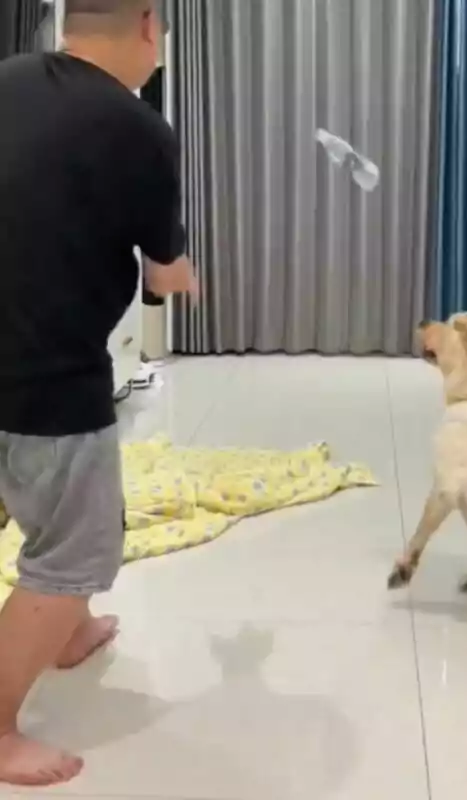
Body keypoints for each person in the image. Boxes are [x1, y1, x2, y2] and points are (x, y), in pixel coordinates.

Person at [0, 0, 197, 787]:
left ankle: (71, 633)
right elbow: (165, 270)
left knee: (35, 506)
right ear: (149, 26)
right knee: (73, 549)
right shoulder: (137, 127)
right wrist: (180, 271)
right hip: (48, 375)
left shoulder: (6, 79)